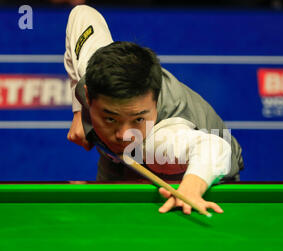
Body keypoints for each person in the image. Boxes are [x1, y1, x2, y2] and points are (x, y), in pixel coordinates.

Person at [64, 5, 244, 215]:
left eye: (138, 119)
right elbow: (82, 14)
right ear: (88, 95)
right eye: (110, 119)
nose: (124, 135)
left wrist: (191, 188)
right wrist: (79, 111)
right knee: (105, 217)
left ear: (155, 102)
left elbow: (214, 148)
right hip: (121, 160)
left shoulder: (164, 138)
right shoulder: (93, 70)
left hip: (193, 171)